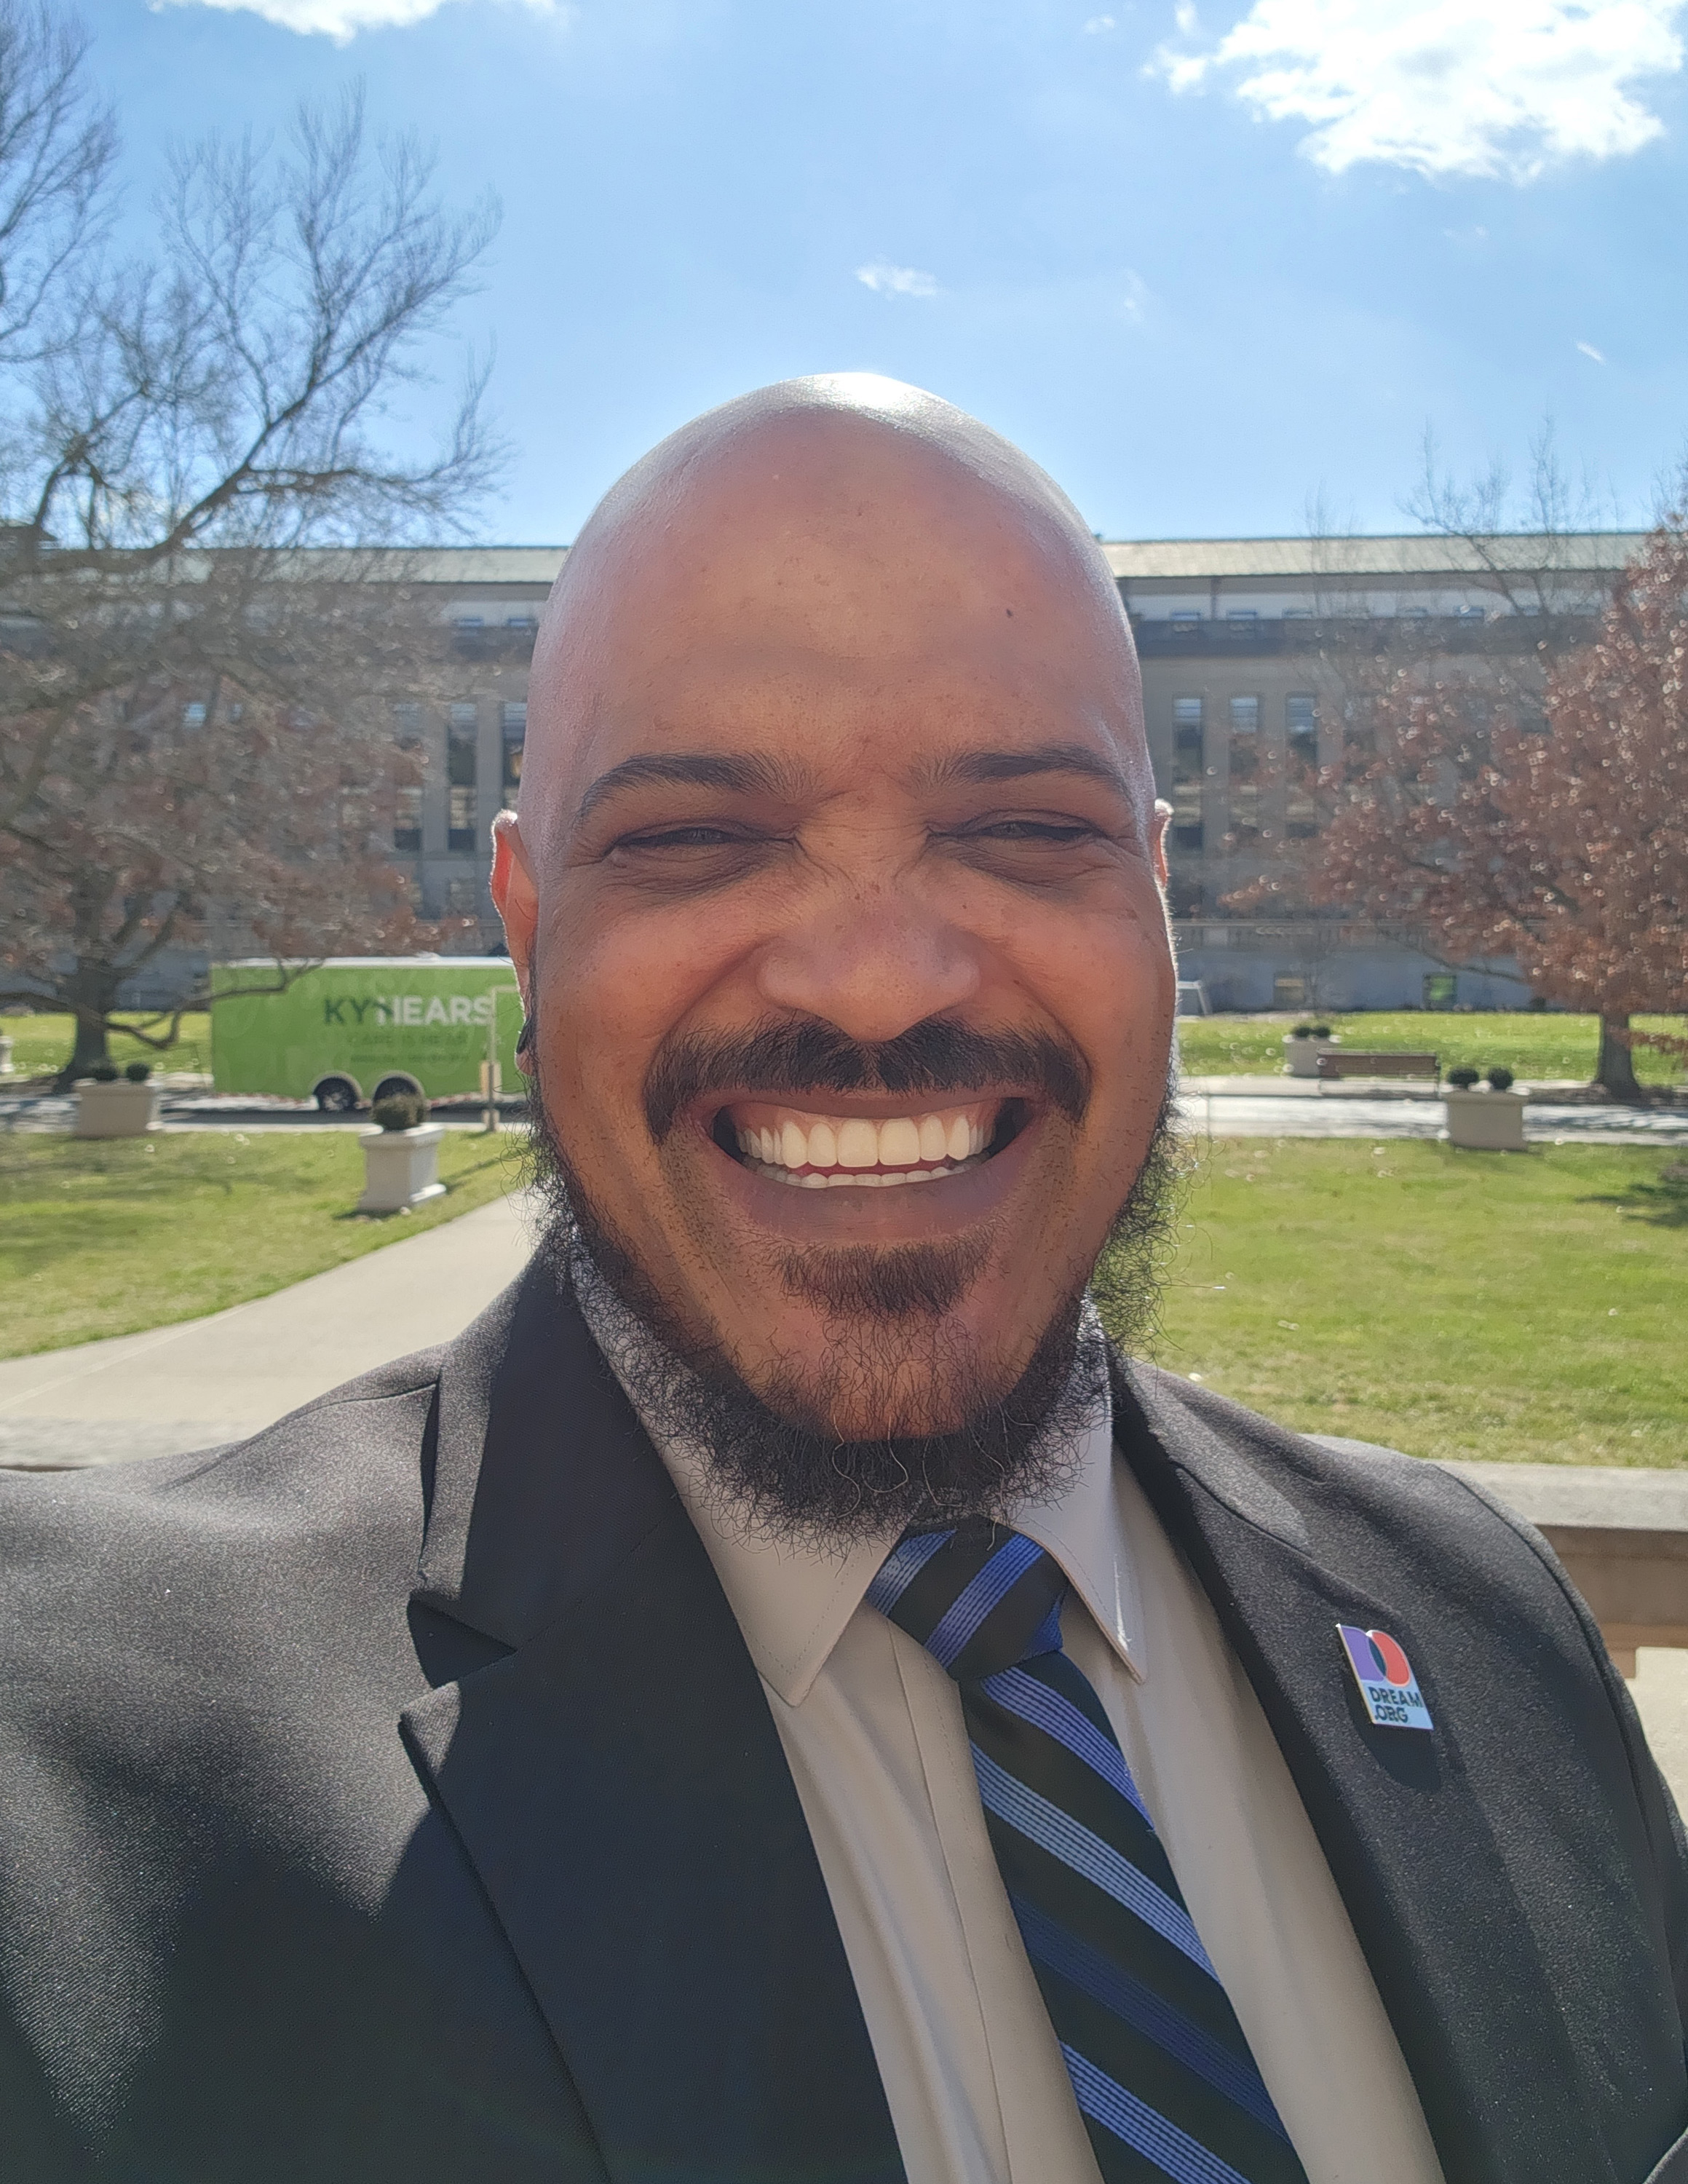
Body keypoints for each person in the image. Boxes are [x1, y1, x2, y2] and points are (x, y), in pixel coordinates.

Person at [0, 376, 1683, 2184]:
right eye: (693, 836)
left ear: (1156, 892)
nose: (878, 983)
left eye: (1028, 827)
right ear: (525, 921)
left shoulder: (1481, 1622)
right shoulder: (68, 1752)